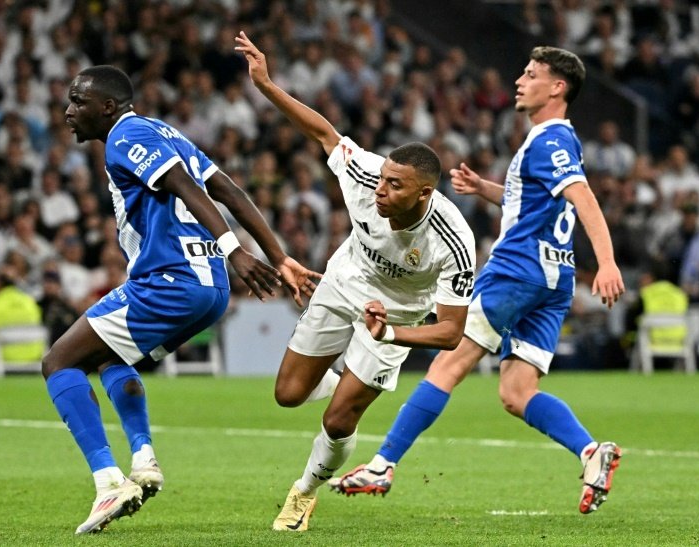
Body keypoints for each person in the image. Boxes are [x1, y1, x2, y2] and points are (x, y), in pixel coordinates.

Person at [330, 46, 626, 515]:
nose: (519, 81)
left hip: (516, 270)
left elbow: (582, 198)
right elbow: (536, 205)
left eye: (531, 75)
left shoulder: (549, 140)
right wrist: (488, 189)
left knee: (448, 365)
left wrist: (608, 262)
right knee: (516, 393)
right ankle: (591, 452)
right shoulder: (559, 141)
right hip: (553, 278)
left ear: (557, 88)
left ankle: (382, 464)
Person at [44, 64, 320, 535]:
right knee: (110, 359)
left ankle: (108, 481)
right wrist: (282, 257)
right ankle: (144, 460)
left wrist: (238, 251)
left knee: (58, 363)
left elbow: (185, 187)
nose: (68, 111)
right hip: (206, 288)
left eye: (77, 101)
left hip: (169, 280)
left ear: (107, 107)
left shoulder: (124, 137)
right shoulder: (163, 130)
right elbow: (229, 190)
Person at [235, 32, 477, 532]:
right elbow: (325, 133)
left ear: (424, 193)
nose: (381, 189)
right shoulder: (367, 175)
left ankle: (303, 493)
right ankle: (343, 375)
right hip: (343, 283)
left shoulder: (453, 240)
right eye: (383, 177)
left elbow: (452, 332)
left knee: (339, 420)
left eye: (395, 185)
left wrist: (391, 334)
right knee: (287, 395)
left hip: (396, 317)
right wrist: (265, 84)